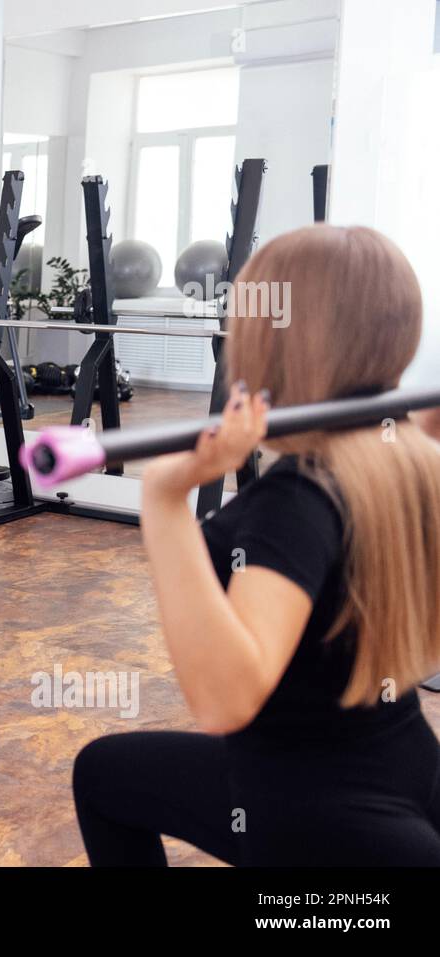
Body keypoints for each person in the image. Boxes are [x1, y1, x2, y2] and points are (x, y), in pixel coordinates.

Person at [71, 224, 440, 865]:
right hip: (405, 765)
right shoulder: (410, 456)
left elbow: (225, 700)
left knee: (103, 775)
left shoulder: (297, 501)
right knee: (106, 772)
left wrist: (164, 502)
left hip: (309, 813)